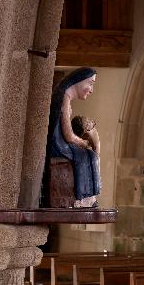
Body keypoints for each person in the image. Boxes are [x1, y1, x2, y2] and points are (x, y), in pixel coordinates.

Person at [46, 67, 101, 208]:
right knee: (88, 156)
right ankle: (82, 197)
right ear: (79, 80)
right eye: (90, 83)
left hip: (60, 142)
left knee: (89, 155)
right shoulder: (64, 98)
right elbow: (69, 136)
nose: (91, 90)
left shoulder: (65, 97)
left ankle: (88, 197)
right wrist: (83, 143)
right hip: (58, 145)